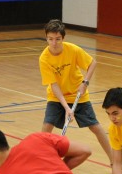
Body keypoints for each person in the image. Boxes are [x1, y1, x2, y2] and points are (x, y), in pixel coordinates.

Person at [38, 19, 112, 159]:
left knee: (95, 127)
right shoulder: (44, 58)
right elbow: (54, 85)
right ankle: (43, 160)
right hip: (56, 97)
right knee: (46, 127)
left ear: (63, 38)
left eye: (58, 39)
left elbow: (92, 63)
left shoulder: (72, 50)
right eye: (50, 39)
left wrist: (85, 83)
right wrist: (66, 108)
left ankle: (114, 160)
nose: (54, 43)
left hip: (78, 94)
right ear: (46, 38)